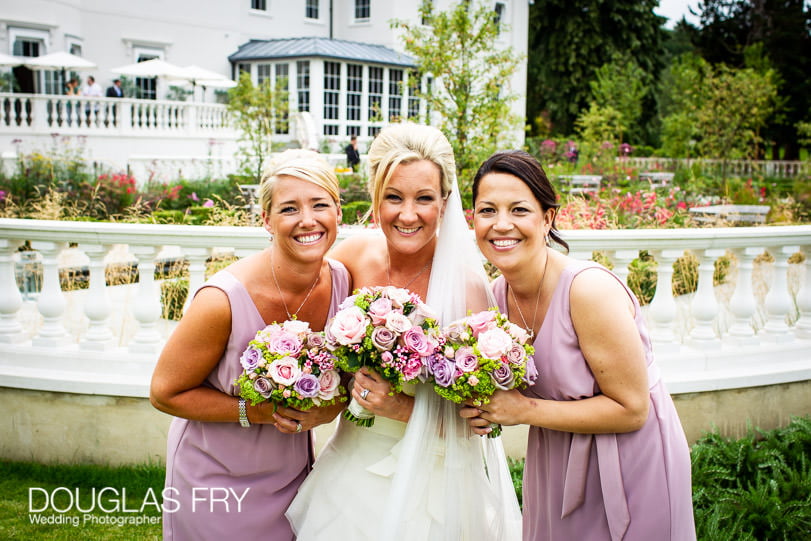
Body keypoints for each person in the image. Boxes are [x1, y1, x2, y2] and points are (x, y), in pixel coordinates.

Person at [287, 123, 521, 541]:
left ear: (445, 202)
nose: (407, 214)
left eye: (424, 198)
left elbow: (482, 424)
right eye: (393, 197)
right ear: (376, 197)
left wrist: (401, 408)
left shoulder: (466, 289)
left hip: (433, 481)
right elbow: (319, 346)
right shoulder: (351, 256)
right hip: (351, 465)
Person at [461, 150, 696, 540]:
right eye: (487, 211)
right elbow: (507, 391)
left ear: (547, 217)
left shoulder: (587, 290)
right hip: (555, 456)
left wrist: (521, 409)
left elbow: (632, 409)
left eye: (519, 210)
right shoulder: (497, 298)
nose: (501, 225)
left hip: (629, 460)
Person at [150, 149, 350, 541]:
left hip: (295, 479)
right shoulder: (221, 300)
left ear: (338, 212)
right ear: (266, 220)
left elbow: (348, 380)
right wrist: (254, 411)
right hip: (215, 480)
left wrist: (328, 409)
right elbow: (165, 393)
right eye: (289, 208)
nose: (307, 220)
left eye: (320, 205)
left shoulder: (344, 284)